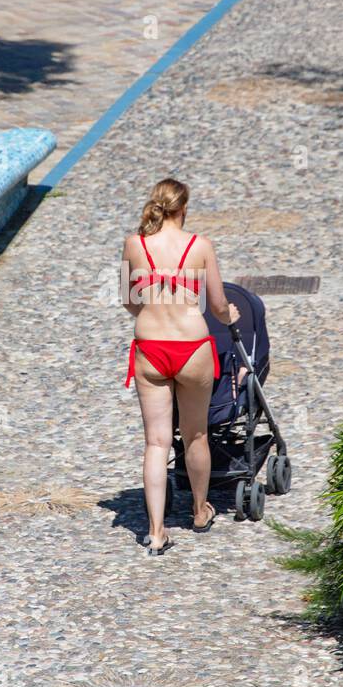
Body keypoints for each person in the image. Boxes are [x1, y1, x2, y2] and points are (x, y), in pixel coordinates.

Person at [121, 178, 239, 555]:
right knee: (196, 436)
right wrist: (230, 314)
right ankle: (200, 511)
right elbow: (219, 305)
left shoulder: (134, 244)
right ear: (184, 208)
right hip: (192, 346)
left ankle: (156, 531)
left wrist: (154, 308)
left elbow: (128, 300)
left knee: (156, 442)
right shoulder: (200, 246)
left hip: (150, 346)